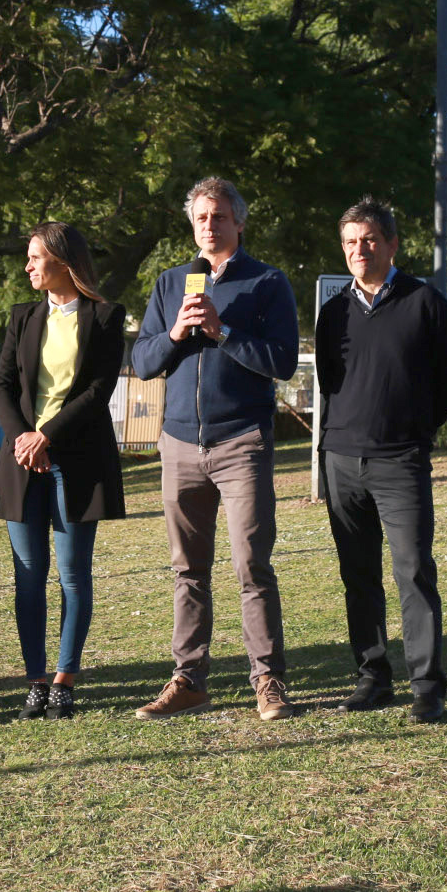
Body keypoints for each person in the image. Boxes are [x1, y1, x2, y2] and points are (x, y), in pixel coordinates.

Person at [130, 177, 300, 722]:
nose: (210, 225)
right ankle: (189, 680)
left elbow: (282, 362)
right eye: (201, 217)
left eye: (219, 216)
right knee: (188, 569)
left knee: (252, 565)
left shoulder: (267, 282)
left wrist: (223, 332)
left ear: (239, 222)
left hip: (241, 440)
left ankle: (267, 679)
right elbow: (142, 362)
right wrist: (176, 334)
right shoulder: (170, 283)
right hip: (180, 443)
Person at [315, 196, 447, 723]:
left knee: (414, 570)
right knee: (358, 574)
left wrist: (415, 429)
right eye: (350, 242)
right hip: (341, 460)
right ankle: (373, 677)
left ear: (392, 244)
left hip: (400, 460)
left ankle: (427, 685)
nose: (359, 250)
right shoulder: (334, 312)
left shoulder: (425, 301)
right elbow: (330, 382)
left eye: (369, 240)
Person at [0, 223, 128, 721]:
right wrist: (25, 439)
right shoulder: (22, 317)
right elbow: (3, 386)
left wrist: (46, 436)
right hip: (22, 461)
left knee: (73, 575)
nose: (28, 266)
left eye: (35, 257)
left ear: (63, 261)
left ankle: (64, 680)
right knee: (28, 578)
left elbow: (97, 391)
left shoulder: (106, 316)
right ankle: (35, 681)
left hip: (77, 461)